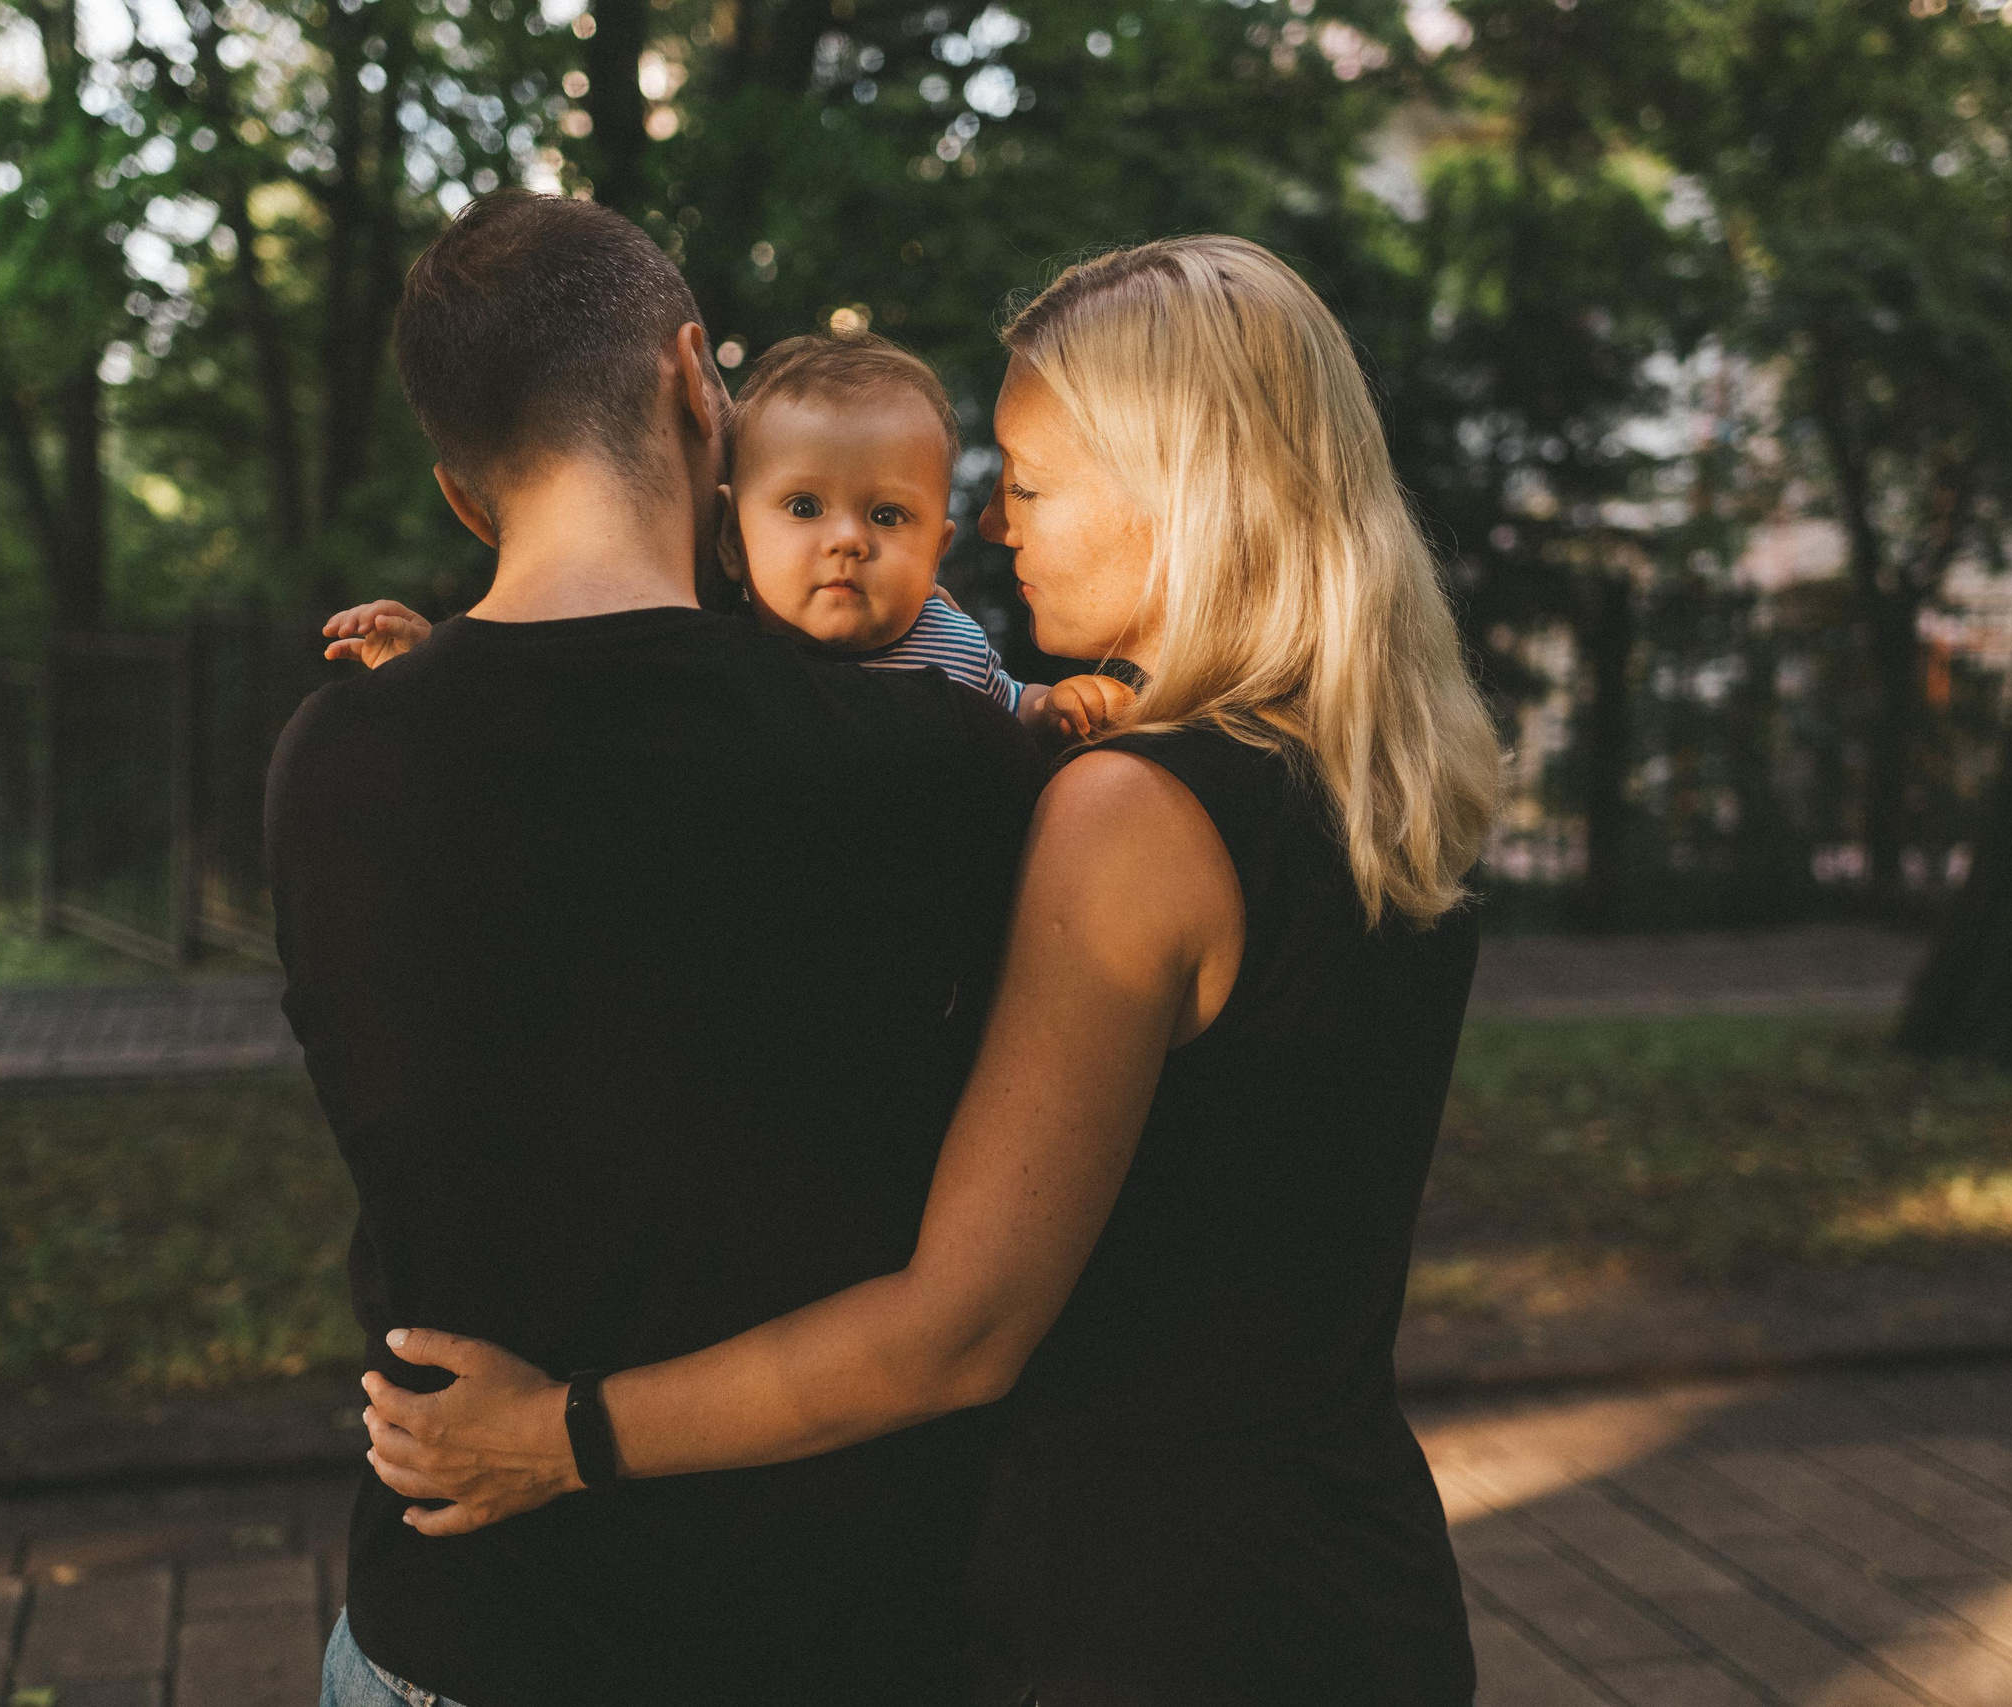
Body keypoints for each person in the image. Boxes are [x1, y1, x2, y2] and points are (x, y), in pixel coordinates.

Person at [356, 235, 1505, 1705]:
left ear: (1174, 490)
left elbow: (958, 1328)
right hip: (1355, 1586)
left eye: (1026, 479)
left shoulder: (1135, 814)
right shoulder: (1376, 788)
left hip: (1149, 1621)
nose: (987, 520)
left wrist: (566, 1431)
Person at [267, 188, 1046, 1707]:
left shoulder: (331, 759)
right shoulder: (930, 761)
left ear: (463, 493)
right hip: (817, 1627)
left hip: (446, 1624)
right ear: (700, 380)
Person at [327, 330, 1138, 741]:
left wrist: (1057, 708)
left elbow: (1012, 704)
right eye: (804, 508)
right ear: (729, 539)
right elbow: (564, 712)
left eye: (888, 517)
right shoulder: (719, 650)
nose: (848, 540)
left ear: (938, 551)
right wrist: (435, 663)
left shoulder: (955, 643)